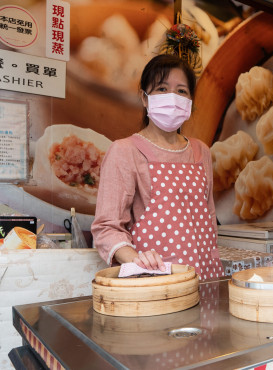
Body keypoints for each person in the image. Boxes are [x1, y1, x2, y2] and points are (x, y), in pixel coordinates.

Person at [91, 54, 224, 281]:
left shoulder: (201, 151)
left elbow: (210, 220)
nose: (172, 97)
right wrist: (136, 259)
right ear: (145, 98)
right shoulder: (125, 151)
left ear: (191, 102)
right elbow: (106, 228)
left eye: (181, 91)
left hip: (205, 276)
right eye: (162, 88)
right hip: (154, 280)